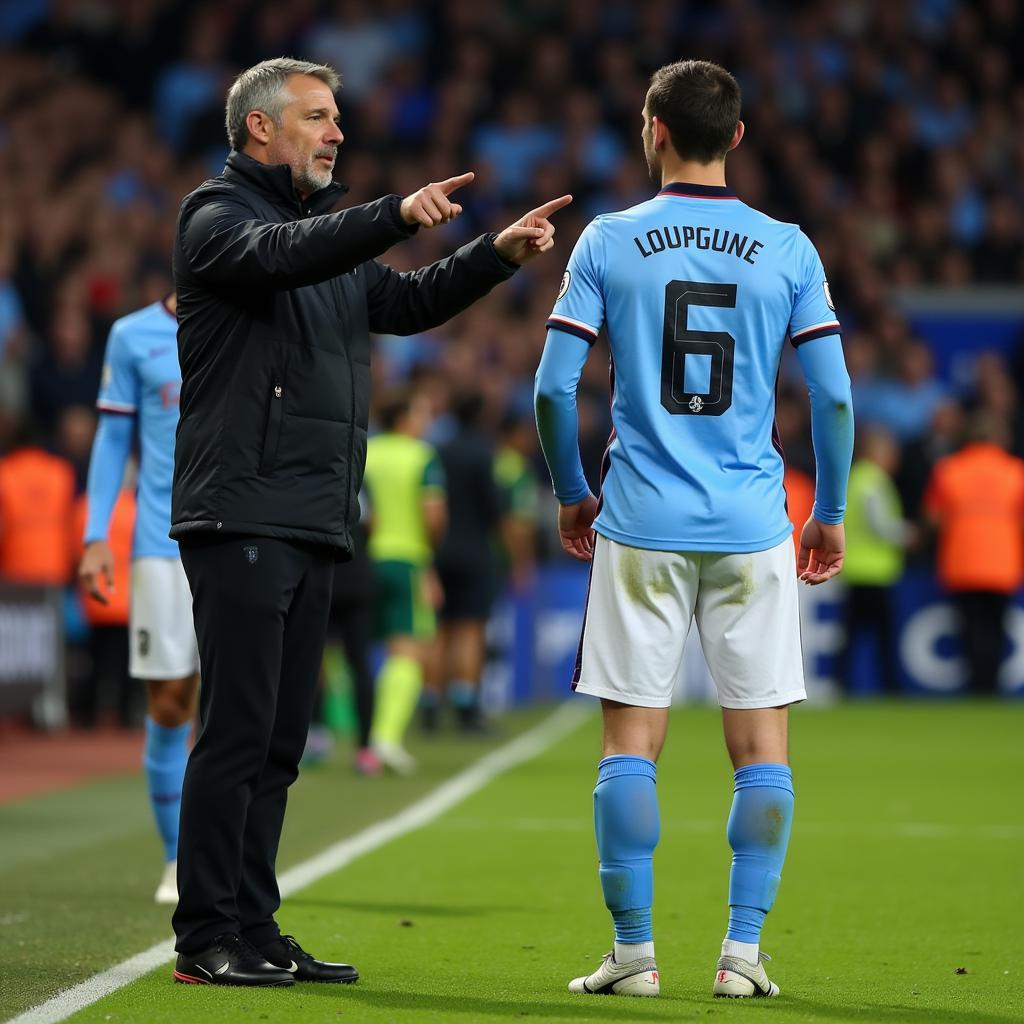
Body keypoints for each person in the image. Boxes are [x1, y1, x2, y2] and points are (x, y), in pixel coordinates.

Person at [169, 57, 570, 988]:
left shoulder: (325, 244)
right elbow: (280, 259)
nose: (337, 132)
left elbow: (408, 301)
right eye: (318, 117)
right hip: (241, 511)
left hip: (313, 517)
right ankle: (204, 938)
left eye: (337, 117)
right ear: (261, 129)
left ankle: (256, 927)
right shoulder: (216, 218)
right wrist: (390, 214)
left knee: (278, 739)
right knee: (235, 733)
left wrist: (494, 257)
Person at [534, 60, 853, 999]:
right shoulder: (788, 246)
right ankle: (742, 956)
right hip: (753, 523)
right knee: (761, 753)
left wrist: (569, 489)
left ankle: (634, 955)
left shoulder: (609, 240)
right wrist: (827, 512)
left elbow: (555, 386)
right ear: (738, 137)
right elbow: (831, 391)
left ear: (654, 129)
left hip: (637, 521)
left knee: (630, 743)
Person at [78, 293, 200, 904]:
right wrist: (95, 534)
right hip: (160, 540)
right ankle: (178, 857)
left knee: (241, 703)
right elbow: (111, 437)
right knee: (173, 701)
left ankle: (229, 857)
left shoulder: (251, 316)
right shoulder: (133, 336)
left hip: (240, 537)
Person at [364, 387, 446, 770]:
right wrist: (429, 557)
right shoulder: (422, 457)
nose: (425, 420)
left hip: (364, 558)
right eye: (420, 412)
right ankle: (385, 737)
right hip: (407, 559)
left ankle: (351, 733)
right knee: (410, 651)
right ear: (404, 418)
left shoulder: (367, 452)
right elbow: (433, 516)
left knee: (353, 648)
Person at [924, 413, 1024, 694]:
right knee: (995, 629)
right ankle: (991, 687)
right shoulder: (1016, 471)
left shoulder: (948, 469)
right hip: (1003, 564)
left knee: (970, 630)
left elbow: (933, 518)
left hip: (962, 562)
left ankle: (975, 688)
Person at [429, 390, 502, 732]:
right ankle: (465, 705)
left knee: (439, 630)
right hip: (474, 549)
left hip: (439, 549)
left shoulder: (437, 451)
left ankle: (429, 703)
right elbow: (493, 509)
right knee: (470, 629)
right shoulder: (482, 453)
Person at [840, 428, 914, 695]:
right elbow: (880, 524)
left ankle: (842, 685)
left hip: (855, 569)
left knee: (852, 635)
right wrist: (908, 535)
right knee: (882, 636)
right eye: (891, 452)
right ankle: (890, 688)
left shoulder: (855, 478)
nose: (895, 458)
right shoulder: (873, 481)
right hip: (874, 572)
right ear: (877, 453)